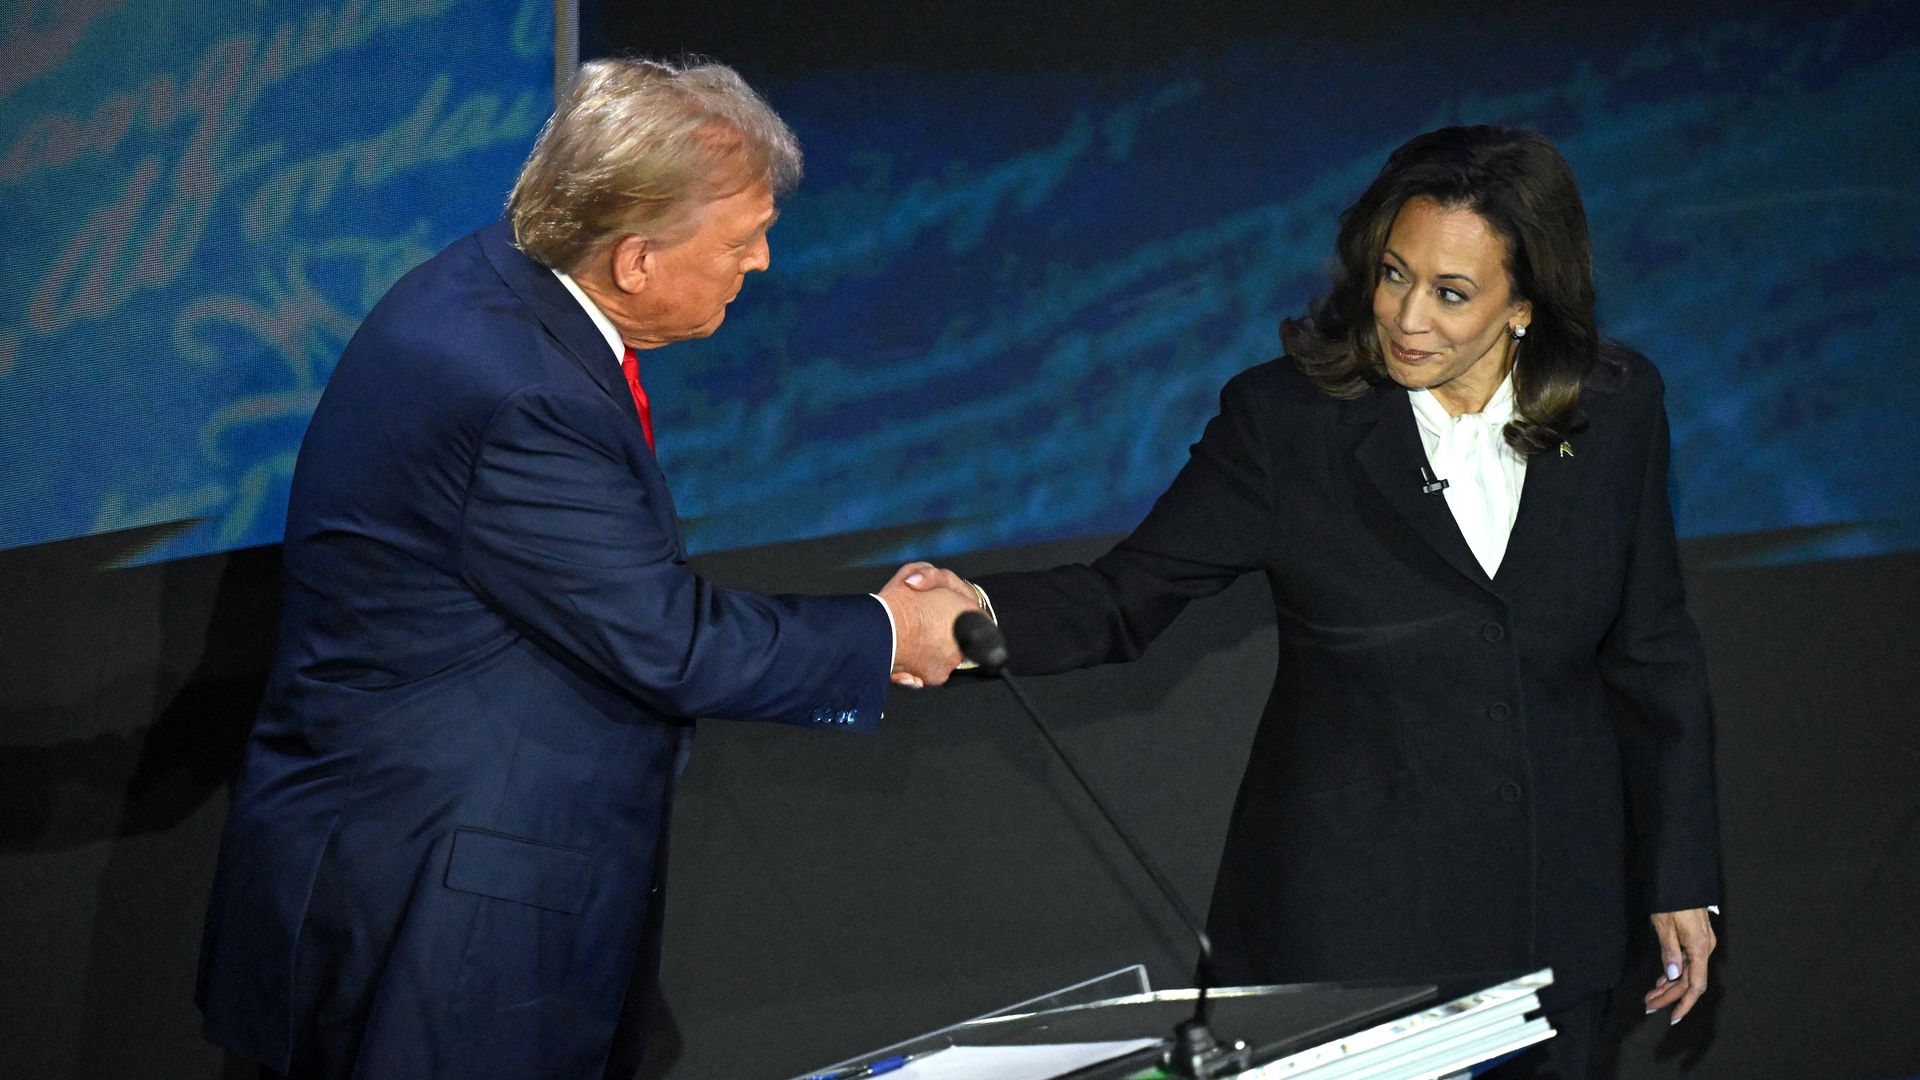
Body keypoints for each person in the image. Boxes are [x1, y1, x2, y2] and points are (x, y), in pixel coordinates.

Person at [195, 58, 977, 1080]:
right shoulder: (522, 393)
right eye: (740, 241)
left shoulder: (492, 285)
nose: (765, 262)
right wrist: (887, 634)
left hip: (423, 865)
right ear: (637, 259)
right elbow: (667, 639)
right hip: (445, 913)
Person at [912, 125, 1720, 1078]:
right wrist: (966, 623)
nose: (1408, 318)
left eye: (1453, 293)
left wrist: (1680, 876)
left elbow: (1651, 648)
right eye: (1393, 275)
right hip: (1349, 935)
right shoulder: (1287, 423)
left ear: (1526, 306)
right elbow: (1125, 596)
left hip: (1557, 922)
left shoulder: (1616, 406)